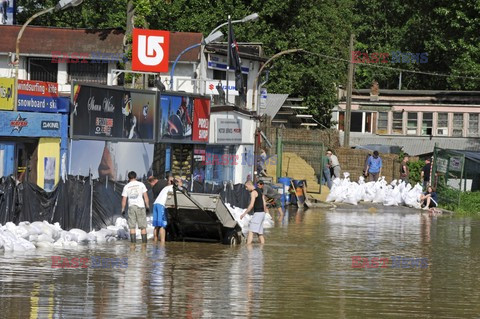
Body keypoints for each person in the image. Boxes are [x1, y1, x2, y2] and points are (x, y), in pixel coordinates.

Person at [121, 171, 150, 244]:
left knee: (132, 227)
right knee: (143, 227)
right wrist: (147, 207)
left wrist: (123, 209)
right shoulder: (141, 184)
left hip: (131, 207)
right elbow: (146, 196)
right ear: (136, 177)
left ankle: (133, 246)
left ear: (128, 178)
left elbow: (124, 199)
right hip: (140, 206)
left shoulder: (126, 186)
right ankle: (144, 246)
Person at [152, 177, 181, 244]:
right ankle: (162, 243)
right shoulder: (173, 188)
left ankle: (155, 241)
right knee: (163, 225)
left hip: (156, 204)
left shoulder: (166, 187)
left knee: (157, 225)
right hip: (161, 205)